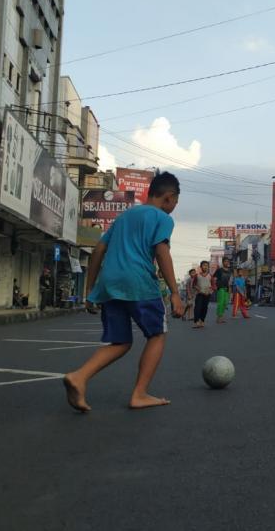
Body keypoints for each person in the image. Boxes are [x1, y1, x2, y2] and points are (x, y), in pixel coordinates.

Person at [62, 171, 184, 412]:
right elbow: (161, 252)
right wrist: (175, 292)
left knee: (121, 341)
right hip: (137, 281)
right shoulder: (162, 218)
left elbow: (98, 250)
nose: (174, 208)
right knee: (157, 334)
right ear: (169, 197)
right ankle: (139, 394)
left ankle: (79, 377)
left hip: (110, 283)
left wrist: (90, 290)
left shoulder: (123, 217)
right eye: (176, 203)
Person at [192, 260, 215, 329]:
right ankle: (196, 322)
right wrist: (198, 289)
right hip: (199, 294)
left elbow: (214, 286)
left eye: (206, 266)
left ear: (208, 267)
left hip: (207, 295)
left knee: (204, 308)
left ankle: (202, 321)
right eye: (204, 265)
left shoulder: (210, 276)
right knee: (197, 308)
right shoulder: (197, 275)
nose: (205, 267)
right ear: (201, 267)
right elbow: (194, 285)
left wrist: (210, 291)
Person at [214, 257, 233, 324]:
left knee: (225, 303)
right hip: (220, 288)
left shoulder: (230, 271)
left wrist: (230, 289)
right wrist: (215, 286)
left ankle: (221, 316)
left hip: (227, 289)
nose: (227, 262)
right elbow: (214, 279)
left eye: (228, 261)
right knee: (221, 303)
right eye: (225, 261)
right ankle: (219, 318)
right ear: (223, 262)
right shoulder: (219, 270)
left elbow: (230, 281)